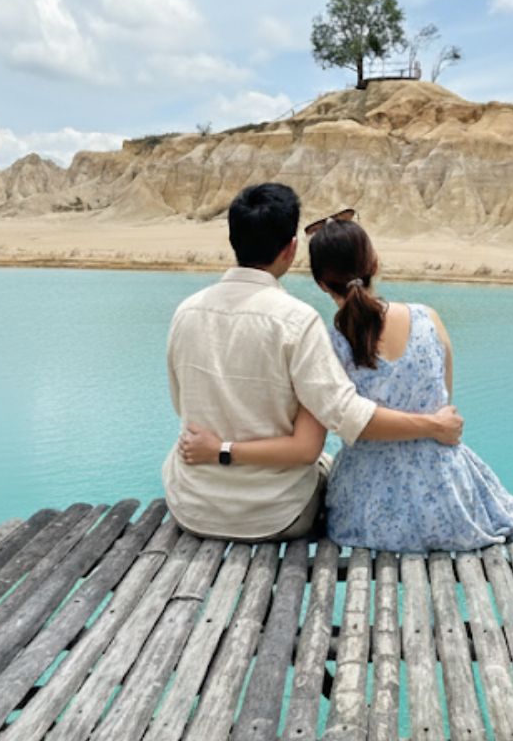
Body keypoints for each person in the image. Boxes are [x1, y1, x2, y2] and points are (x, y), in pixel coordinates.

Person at [181, 213, 513, 552]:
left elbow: (324, 432)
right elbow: (444, 405)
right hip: (448, 502)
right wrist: (432, 428)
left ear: (321, 284)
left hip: (366, 514)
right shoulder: (429, 319)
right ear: (374, 264)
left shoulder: (327, 343)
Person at [162, 184, 464, 542]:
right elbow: (323, 435)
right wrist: (433, 425)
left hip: (192, 508)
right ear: (291, 251)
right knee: (327, 466)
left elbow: (182, 405)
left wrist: (220, 450)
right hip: (276, 516)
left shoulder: (186, 312)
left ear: (233, 239)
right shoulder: (297, 321)